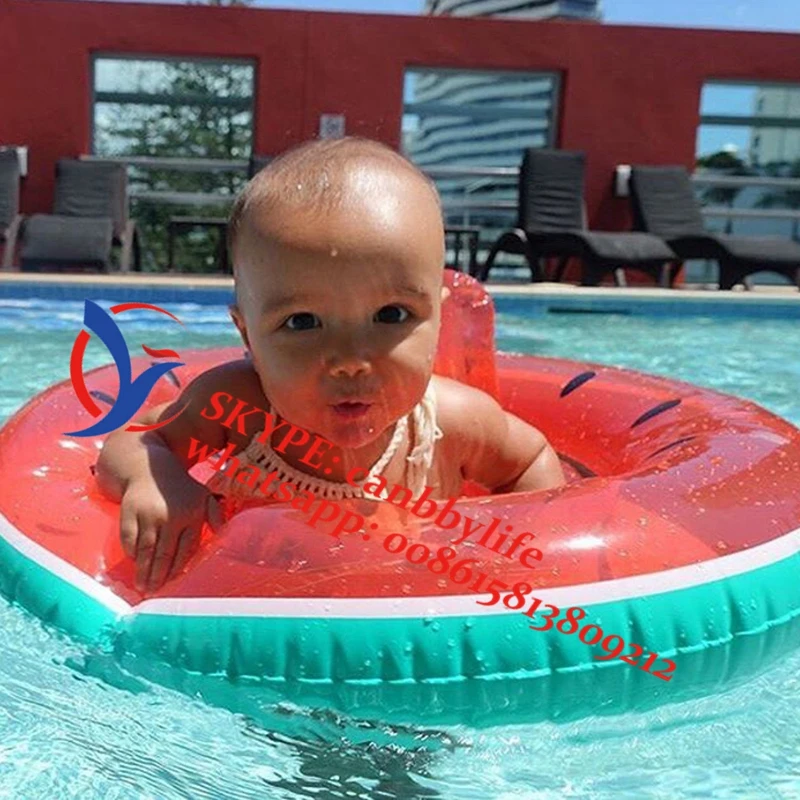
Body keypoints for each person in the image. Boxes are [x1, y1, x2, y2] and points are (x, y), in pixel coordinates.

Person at [96, 137, 565, 593]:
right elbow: (135, 439)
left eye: (392, 315)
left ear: (438, 320)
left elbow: (530, 461)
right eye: (302, 322)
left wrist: (513, 542)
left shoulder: (454, 422)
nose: (350, 360)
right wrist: (155, 478)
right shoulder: (237, 406)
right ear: (248, 336)